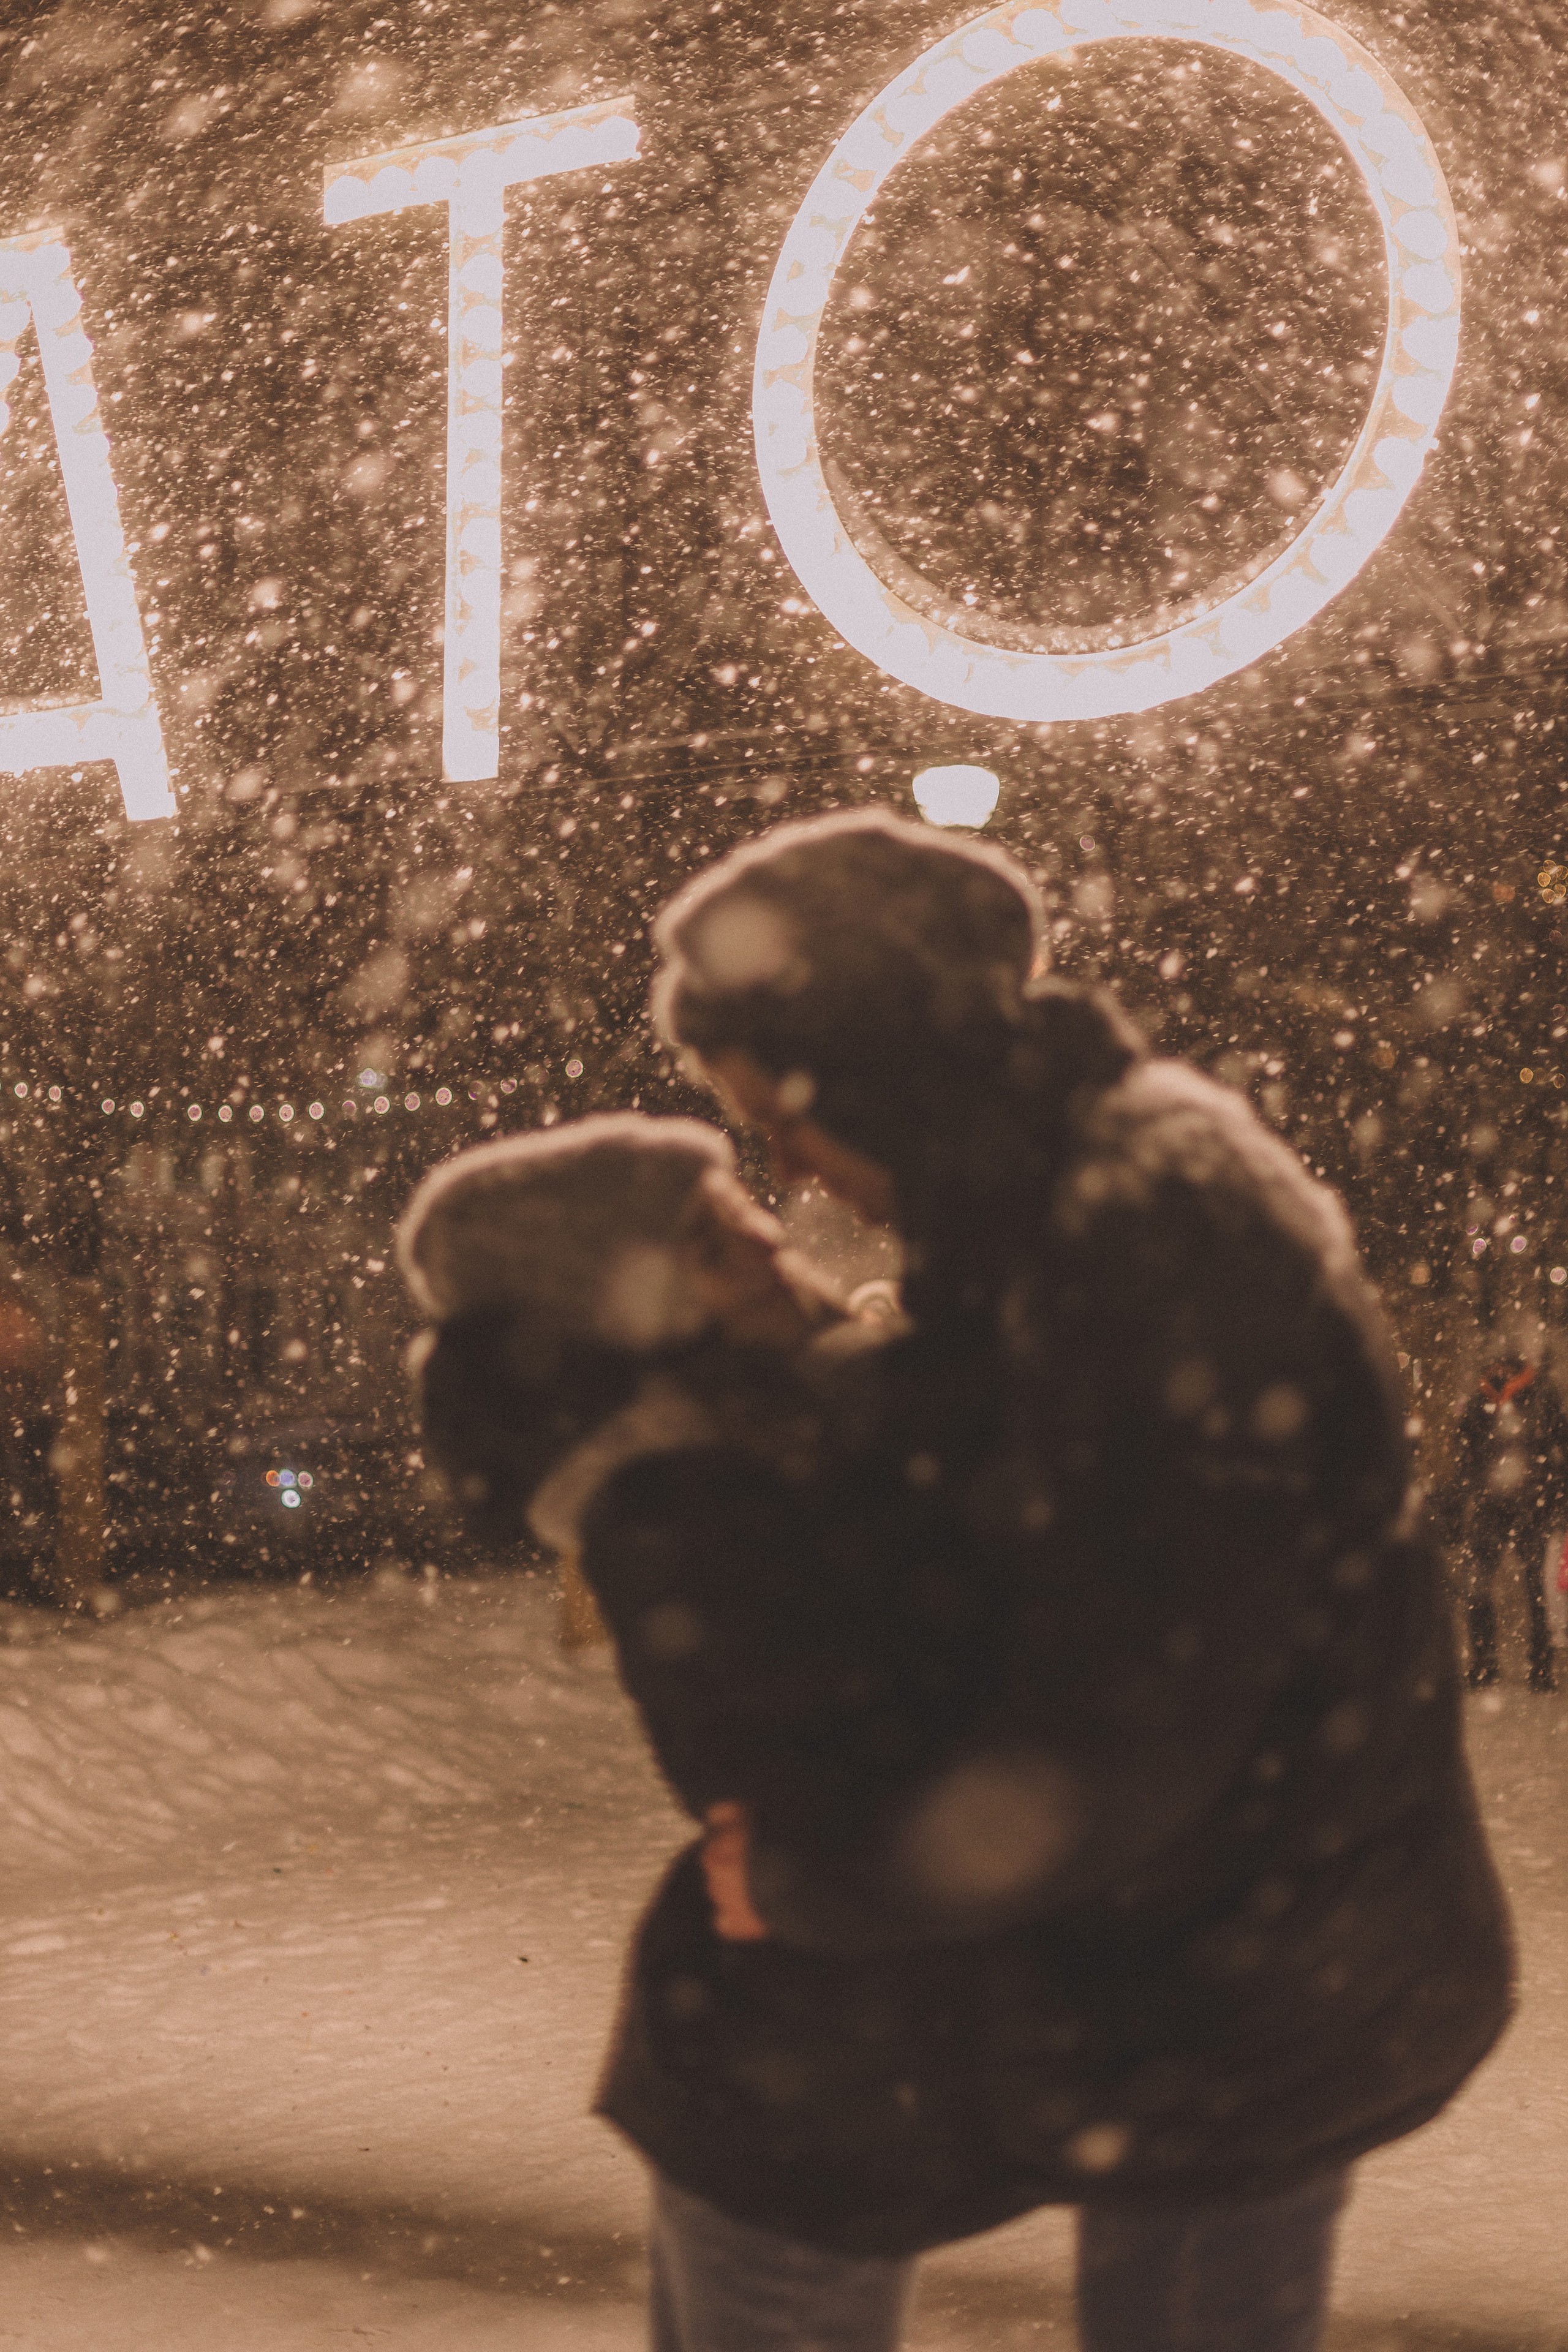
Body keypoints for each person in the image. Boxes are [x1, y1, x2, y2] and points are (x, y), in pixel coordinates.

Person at [601, 807, 1513, 2352]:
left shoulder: (1131, 1229)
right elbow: (996, 1436)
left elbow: (1117, 1728)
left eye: (778, 1118)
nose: (783, 1169)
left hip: (1253, 1980)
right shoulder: (1072, 1181)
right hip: (1237, 1943)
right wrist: (793, 1349)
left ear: (869, 1068)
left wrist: (815, 1879)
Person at [1449, 1344, 1568, 1692]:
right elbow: (1466, 1454)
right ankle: (1493, 1663)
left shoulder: (1539, 1396)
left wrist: (1555, 1495)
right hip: (1501, 1504)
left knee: (1532, 1586)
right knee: (1485, 1585)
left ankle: (1534, 1664)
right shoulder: (1485, 1401)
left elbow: (1558, 1445)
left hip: (1529, 1503)